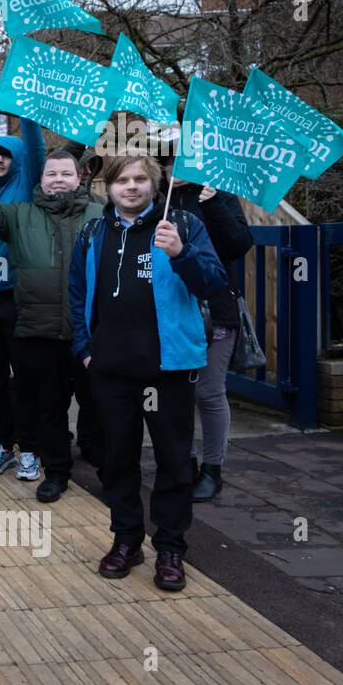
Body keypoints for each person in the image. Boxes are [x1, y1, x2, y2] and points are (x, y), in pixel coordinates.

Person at [69, 150, 227, 591]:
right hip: (111, 367)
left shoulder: (182, 226)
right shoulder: (92, 232)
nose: (132, 187)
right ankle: (126, 538)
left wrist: (182, 253)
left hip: (170, 367)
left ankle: (171, 546)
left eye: (140, 179)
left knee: (174, 461)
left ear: (154, 185)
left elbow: (215, 283)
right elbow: (77, 294)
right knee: (116, 457)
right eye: (123, 180)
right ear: (109, 187)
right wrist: (85, 349)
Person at [0, 149, 103, 504]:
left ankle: (108, 468)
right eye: (50, 173)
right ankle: (57, 473)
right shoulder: (17, 214)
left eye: (65, 173)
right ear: (39, 180)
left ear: (80, 178)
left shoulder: (103, 214)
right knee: (50, 408)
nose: (58, 179)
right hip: (40, 333)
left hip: (91, 334)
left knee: (100, 404)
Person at [157, 172, 253, 501]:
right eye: (168, 160)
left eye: (183, 159)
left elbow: (238, 245)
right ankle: (181, 461)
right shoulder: (153, 196)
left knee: (209, 393)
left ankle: (213, 468)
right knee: (171, 394)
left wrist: (213, 205)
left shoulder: (217, 192)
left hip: (215, 311)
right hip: (168, 312)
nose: (175, 168)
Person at [0, 119, 45, 479]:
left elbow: (34, 149)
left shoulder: (26, 184)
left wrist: (27, 113)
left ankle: (30, 448)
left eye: (5, 154)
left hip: (19, 298)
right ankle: (3, 443)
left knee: (27, 376)